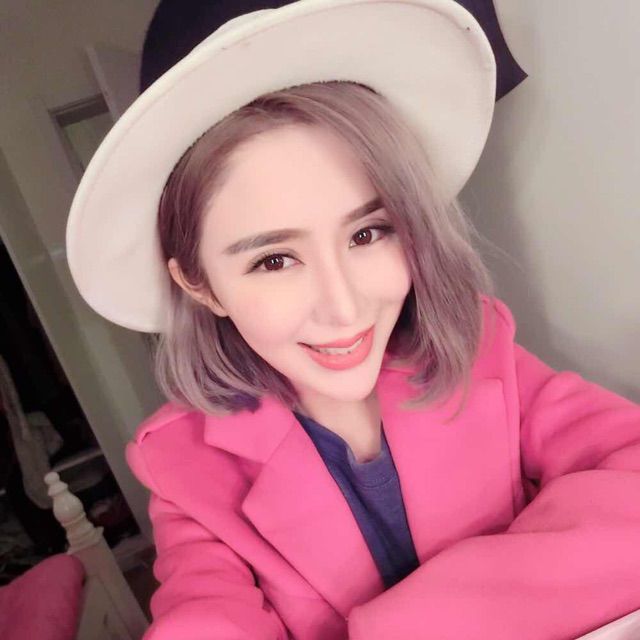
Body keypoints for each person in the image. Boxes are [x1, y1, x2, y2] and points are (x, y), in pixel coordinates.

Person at [65, 1, 640, 638]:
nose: (344, 306)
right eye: (274, 260)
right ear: (201, 285)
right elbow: (205, 618)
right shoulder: (183, 465)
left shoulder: (481, 348)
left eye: (368, 233)